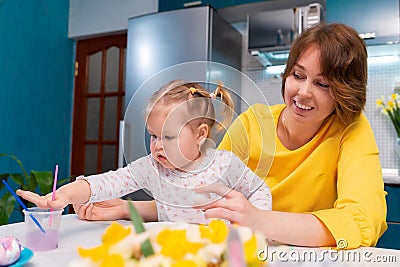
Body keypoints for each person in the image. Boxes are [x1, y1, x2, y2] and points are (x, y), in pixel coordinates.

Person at [69, 22, 387, 249]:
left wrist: (260, 220)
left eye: (323, 84)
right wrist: (129, 209)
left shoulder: (352, 129)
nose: (303, 92)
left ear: (344, 93)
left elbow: (361, 221)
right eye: (298, 75)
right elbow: (204, 201)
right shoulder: (252, 123)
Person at [17, 80, 272, 224]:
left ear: (200, 134)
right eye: (153, 136)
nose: (158, 145)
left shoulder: (224, 163)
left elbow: (260, 189)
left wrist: (255, 222)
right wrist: (63, 194)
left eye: (168, 137)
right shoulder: (153, 166)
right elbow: (109, 181)